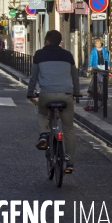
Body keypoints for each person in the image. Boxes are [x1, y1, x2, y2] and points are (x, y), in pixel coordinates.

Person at [27, 30, 80, 174]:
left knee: (42, 114)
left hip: (47, 94)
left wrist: (29, 92)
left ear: (46, 41)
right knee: (68, 128)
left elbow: (34, 77)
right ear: (60, 42)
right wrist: (77, 91)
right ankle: (70, 163)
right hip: (66, 95)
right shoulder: (68, 55)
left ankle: (44, 134)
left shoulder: (39, 54)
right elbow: (75, 77)